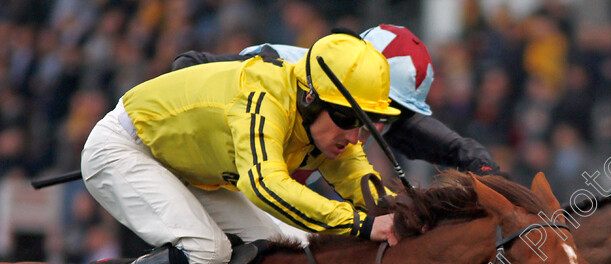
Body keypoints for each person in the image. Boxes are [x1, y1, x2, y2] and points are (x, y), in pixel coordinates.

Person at [39, 33, 401, 264]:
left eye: (364, 125)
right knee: (207, 251)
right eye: (346, 119)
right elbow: (266, 186)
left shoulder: (321, 124)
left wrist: (403, 212)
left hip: (187, 166)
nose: (354, 137)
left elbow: (362, 183)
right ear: (309, 98)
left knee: (292, 248)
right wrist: (361, 226)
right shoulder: (264, 98)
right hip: (123, 148)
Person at [172, 24, 500, 177]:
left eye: (396, 112)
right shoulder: (276, 63)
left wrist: (493, 179)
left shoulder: (383, 112)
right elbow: (187, 64)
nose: (380, 120)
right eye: (384, 104)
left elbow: (462, 151)